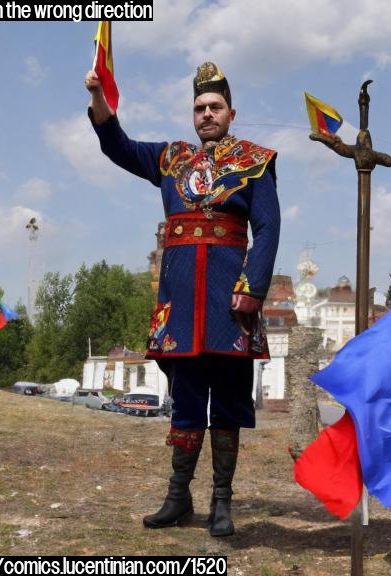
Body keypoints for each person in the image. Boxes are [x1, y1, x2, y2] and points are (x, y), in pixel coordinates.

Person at [85, 62, 280, 537]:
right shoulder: (171, 158)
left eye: (215, 106)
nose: (207, 113)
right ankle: (178, 497)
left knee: (229, 405)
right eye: (199, 107)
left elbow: (268, 228)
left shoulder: (255, 160)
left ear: (231, 113)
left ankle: (222, 502)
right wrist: (99, 101)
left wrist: (252, 288)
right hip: (180, 307)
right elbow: (119, 147)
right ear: (193, 115)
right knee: (187, 403)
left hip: (230, 307)